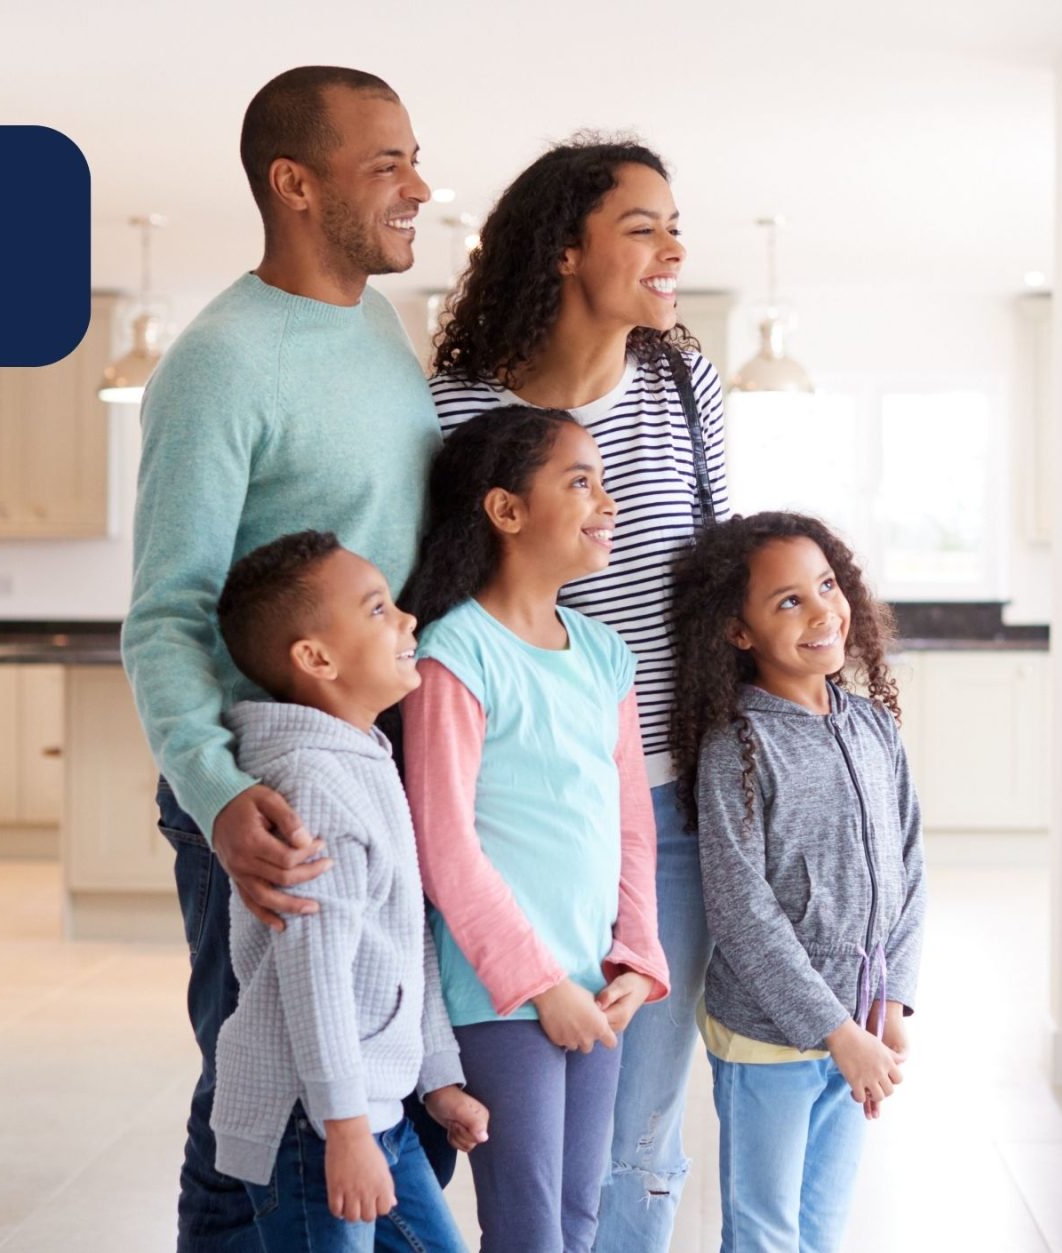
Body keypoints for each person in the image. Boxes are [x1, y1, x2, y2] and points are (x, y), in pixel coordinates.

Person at [120, 65, 445, 1250]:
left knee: (340, 1081)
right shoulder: (217, 364)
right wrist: (218, 798)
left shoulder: (371, 320)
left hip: (364, 760)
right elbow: (165, 612)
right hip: (270, 798)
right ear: (294, 183)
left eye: (415, 155)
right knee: (253, 1099)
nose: (417, 185)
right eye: (386, 164)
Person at [427, 135, 730, 1250]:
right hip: (514, 827)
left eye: (673, 224)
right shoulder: (455, 407)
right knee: (525, 1152)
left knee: (636, 1137)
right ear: (563, 250)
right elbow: (444, 595)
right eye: (641, 226)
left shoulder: (684, 383)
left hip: (664, 810)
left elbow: (711, 579)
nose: (672, 248)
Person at [399, 405, 671, 1253]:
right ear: (506, 510)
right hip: (502, 995)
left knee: (577, 1217)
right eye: (580, 480)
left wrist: (639, 959)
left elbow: (633, 827)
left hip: (598, 987)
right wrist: (538, 983)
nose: (608, 501)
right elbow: (444, 848)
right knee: (526, 1226)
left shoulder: (605, 653)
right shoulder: (456, 652)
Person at [206, 530, 490, 1252]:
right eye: (377, 609)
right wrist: (344, 1129)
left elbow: (403, 937)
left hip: (371, 1112)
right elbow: (314, 977)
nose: (406, 621)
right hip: (313, 1122)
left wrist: (438, 1078)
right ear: (316, 658)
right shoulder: (313, 782)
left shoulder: (364, 758)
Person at [664, 512, 924, 1253]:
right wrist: (836, 1031)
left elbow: (910, 864)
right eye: (788, 601)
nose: (821, 612)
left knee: (820, 1230)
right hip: (770, 1041)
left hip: (860, 1031)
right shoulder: (738, 745)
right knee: (765, 1233)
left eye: (827, 586)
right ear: (738, 631)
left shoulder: (873, 725)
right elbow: (743, 913)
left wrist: (890, 998)